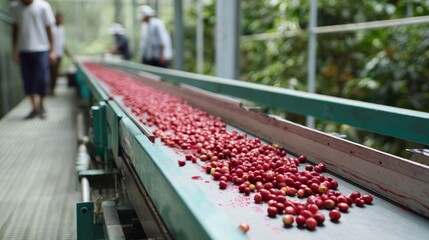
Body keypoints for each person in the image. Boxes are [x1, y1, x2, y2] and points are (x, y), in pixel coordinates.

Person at [11, 0, 56, 119]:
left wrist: (52, 50)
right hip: (24, 49)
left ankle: (41, 104)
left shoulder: (43, 6)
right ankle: (34, 108)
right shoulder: (15, 7)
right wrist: (14, 49)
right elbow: (14, 28)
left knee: (43, 80)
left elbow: (49, 29)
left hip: (41, 49)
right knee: (28, 80)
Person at [50, 12, 72, 95]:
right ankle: (48, 89)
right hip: (52, 54)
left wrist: (68, 54)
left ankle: (52, 89)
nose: (61, 20)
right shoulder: (51, 28)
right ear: (56, 18)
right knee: (50, 72)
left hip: (59, 54)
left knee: (55, 73)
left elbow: (62, 43)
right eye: (60, 18)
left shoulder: (62, 28)